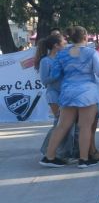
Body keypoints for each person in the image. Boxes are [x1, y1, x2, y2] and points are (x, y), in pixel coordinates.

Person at [39, 26, 99, 169]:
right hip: (87, 93)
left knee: (62, 126)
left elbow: (56, 75)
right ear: (86, 36)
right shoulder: (91, 53)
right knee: (85, 126)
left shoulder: (61, 54)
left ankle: (49, 156)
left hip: (67, 92)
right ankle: (83, 159)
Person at [36, 33, 76, 161]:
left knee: (66, 124)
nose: (65, 44)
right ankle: (49, 151)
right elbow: (44, 80)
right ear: (56, 45)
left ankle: (62, 151)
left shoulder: (63, 58)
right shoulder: (45, 61)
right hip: (54, 95)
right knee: (59, 123)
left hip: (66, 93)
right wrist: (57, 74)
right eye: (63, 42)